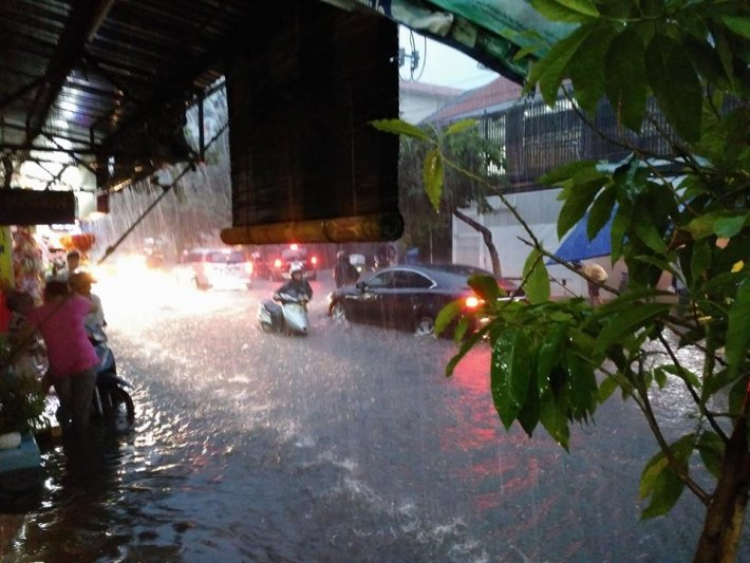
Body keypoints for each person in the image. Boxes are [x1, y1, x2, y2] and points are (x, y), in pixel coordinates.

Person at [21, 280, 99, 439]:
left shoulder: (39, 313)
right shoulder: (75, 303)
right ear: (65, 292)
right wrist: (75, 293)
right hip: (84, 361)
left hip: (60, 367)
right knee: (81, 413)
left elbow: (24, 337)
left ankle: (68, 438)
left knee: (67, 403)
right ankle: (80, 449)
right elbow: (94, 307)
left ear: (46, 294)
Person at [69, 270, 106, 336]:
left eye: (89, 284)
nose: (90, 287)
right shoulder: (71, 302)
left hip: (95, 336)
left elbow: (100, 319)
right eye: (86, 285)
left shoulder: (95, 299)